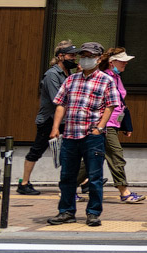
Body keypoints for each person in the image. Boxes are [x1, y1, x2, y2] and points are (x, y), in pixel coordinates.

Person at [47, 41, 117, 227]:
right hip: (70, 134)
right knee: (67, 176)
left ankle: (93, 213)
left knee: (94, 178)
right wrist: (55, 128)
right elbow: (61, 103)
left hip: (93, 135)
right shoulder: (71, 79)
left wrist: (100, 127)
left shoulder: (106, 80)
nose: (85, 59)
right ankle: (66, 211)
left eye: (90, 56)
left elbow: (110, 106)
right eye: (83, 56)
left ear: (99, 58)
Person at [18, 42, 77, 197]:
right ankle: (24, 184)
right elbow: (57, 99)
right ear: (60, 56)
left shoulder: (68, 74)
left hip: (64, 119)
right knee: (37, 150)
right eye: (71, 55)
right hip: (49, 120)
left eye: (75, 55)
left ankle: (82, 182)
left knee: (69, 151)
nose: (74, 58)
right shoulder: (52, 74)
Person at [101, 50, 144, 205]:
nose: (126, 63)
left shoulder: (116, 77)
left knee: (93, 157)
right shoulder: (105, 77)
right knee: (116, 155)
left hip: (113, 123)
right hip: (105, 124)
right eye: (122, 60)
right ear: (112, 62)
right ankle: (124, 192)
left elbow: (121, 104)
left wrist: (125, 125)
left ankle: (68, 187)